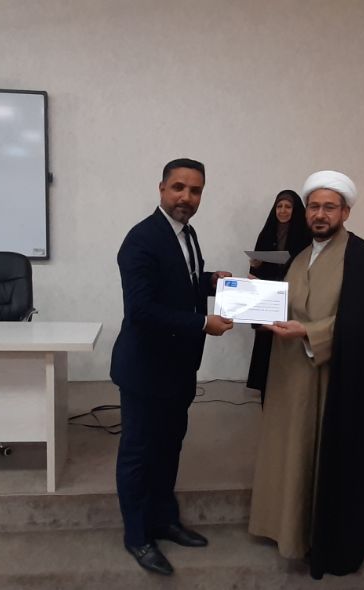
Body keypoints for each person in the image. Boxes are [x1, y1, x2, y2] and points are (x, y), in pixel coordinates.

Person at [247, 170, 364, 579]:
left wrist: (310, 333)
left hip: (335, 379)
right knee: (290, 455)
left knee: (321, 459)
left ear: (345, 212)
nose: (320, 214)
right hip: (289, 376)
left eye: (329, 207)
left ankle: (317, 537)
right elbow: (286, 306)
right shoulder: (300, 256)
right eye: (314, 207)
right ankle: (287, 530)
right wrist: (253, 300)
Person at [110, 158, 235, 576]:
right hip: (145, 370)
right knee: (139, 453)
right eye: (178, 187)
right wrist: (202, 323)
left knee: (169, 447)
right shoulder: (141, 240)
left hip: (180, 367)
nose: (186, 197)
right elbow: (142, 310)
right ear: (161, 188)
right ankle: (137, 536)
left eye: (195, 190)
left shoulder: (186, 233)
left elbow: (180, 282)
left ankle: (164, 519)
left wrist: (211, 281)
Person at [245, 190, 311, 395]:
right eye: (279, 206)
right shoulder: (266, 233)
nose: (282, 211)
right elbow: (255, 270)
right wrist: (256, 265)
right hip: (269, 297)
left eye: (288, 207)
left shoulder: (305, 235)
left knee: (289, 343)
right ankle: (265, 387)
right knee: (266, 343)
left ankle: (288, 389)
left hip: (294, 296)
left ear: (296, 210)